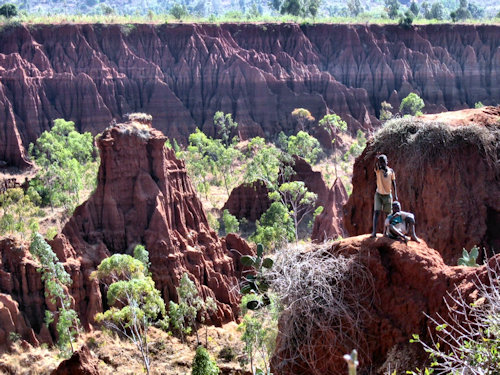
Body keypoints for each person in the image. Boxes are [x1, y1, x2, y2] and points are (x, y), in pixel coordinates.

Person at [370, 154, 397, 238]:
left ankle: (386, 233)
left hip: (388, 195)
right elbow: (375, 165)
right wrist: (376, 160)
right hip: (379, 194)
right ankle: (374, 232)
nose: (382, 164)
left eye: (383, 162)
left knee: (388, 214)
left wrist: (395, 195)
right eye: (380, 162)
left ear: (387, 162)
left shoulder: (391, 171)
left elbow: (394, 183)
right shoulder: (378, 170)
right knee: (376, 212)